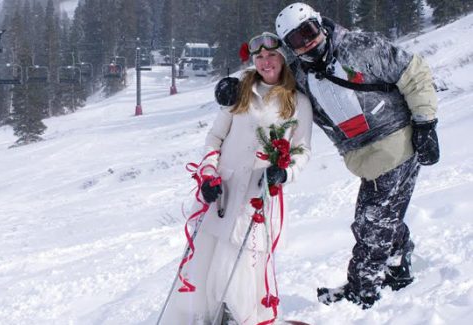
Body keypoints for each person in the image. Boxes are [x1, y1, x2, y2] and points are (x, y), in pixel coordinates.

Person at [271, 2, 440, 309]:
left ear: (320, 25)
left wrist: (426, 124)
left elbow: (413, 72)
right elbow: (268, 76)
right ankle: (398, 261)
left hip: (397, 141)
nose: (307, 42)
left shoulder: (359, 47)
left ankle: (361, 291)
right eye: (297, 40)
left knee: (372, 222)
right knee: (376, 221)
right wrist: (238, 87)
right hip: (363, 157)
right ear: (290, 48)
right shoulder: (299, 73)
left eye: (309, 32)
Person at [162, 32, 312, 324]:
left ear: (283, 58)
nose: (266, 62)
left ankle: (238, 318)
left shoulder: (297, 102)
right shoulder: (241, 93)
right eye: (259, 57)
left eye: (271, 56)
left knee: (240, 267)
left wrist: (285, 172)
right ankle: (204, 318)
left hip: (258, 198)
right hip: (224, 194)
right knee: (205, 264)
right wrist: (207, 175)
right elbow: (215, 137)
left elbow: (302, 150)